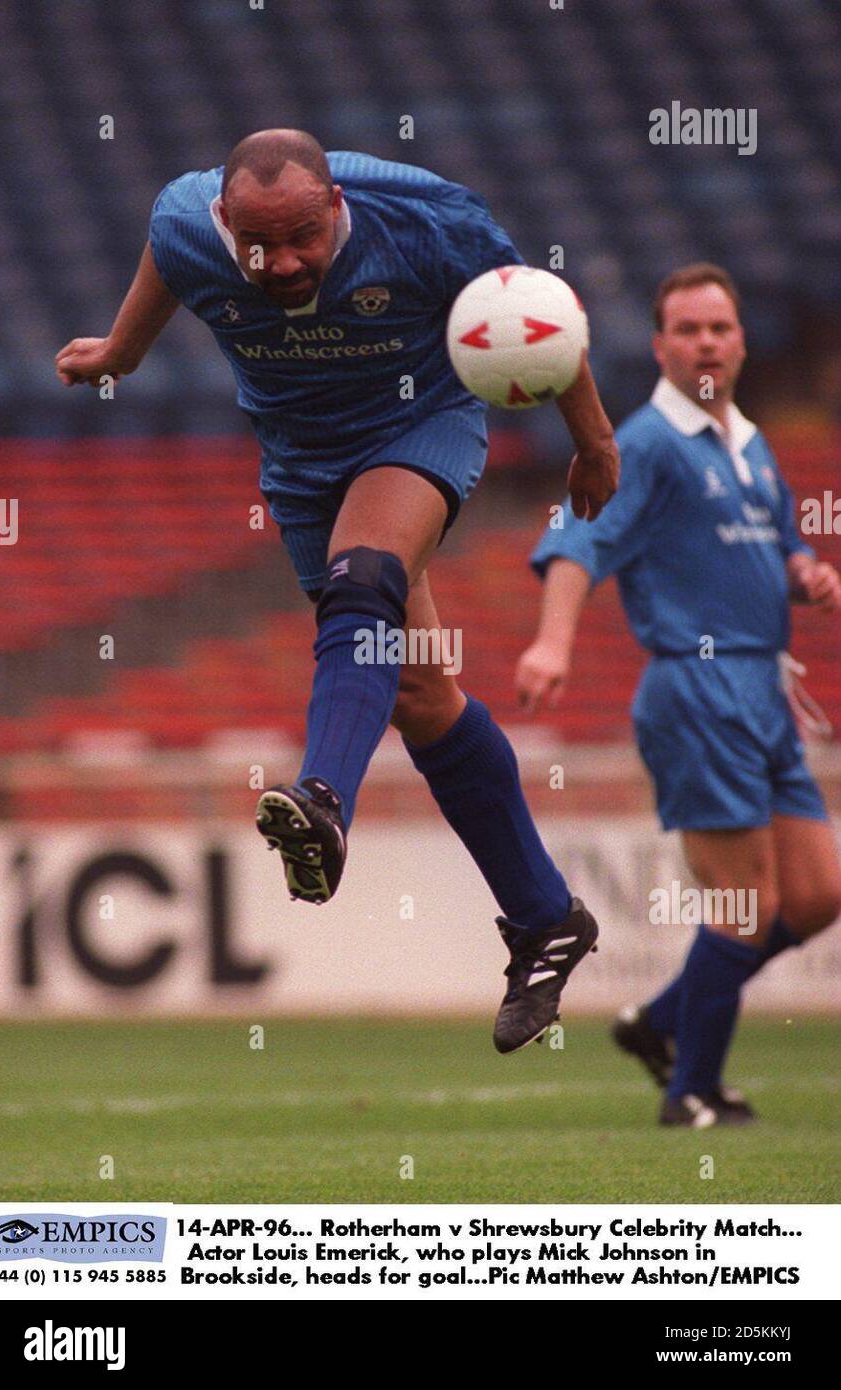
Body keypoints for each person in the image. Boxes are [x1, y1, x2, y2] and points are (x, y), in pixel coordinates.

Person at [56, 128, 620, 1052]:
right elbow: (165, 255)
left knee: (366, 583)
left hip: (419, 428)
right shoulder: (184, 221)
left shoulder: (429, 219)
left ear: (336, 209)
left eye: (301, 241)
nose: (279, 263)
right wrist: (120, 353)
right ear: (224, 219)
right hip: (301, 462)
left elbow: (538, 316)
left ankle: (322, 799)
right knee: (417, 691)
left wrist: (593, 443)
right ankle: (545, 920)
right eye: (256, 245)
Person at [519, 263, 841, 1124]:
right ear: (659, 345)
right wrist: (553, 640)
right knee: (744, 909)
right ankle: (688, 1088)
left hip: (762, 690)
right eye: (688, 329)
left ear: (740, 342)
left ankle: (657, 1022)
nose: (706, 342)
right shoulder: (647, 445)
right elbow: (577, 540)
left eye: (721, 328)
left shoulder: (748, 439)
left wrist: (802, 567)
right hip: (696, 692)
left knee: (816, 896)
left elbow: (775, 546)